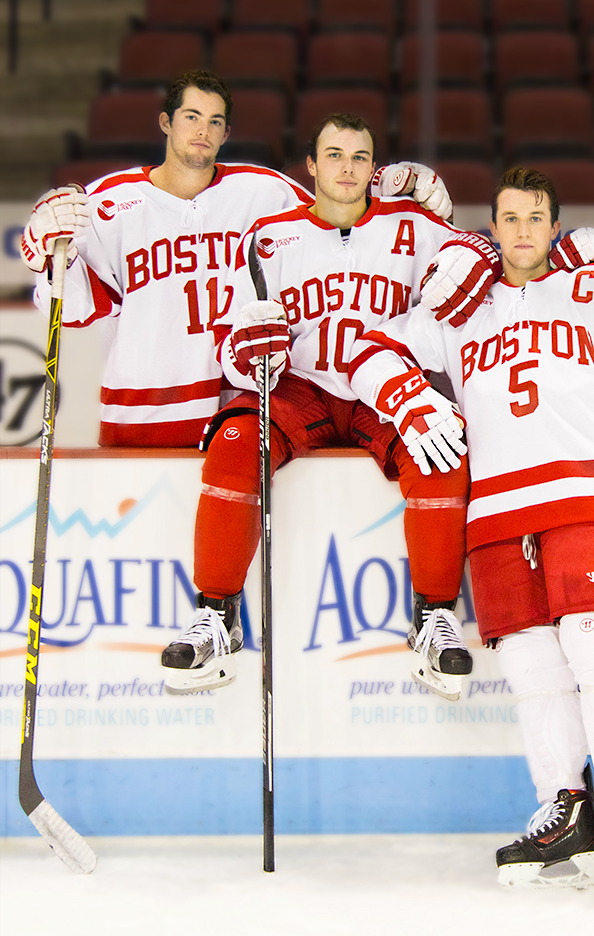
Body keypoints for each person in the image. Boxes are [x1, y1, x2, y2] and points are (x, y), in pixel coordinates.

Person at [346, 168, 594, 894]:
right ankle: (564, 808)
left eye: (534, 217)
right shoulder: (459, 310)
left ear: (554, 225)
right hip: (497, 512)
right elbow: (365, 350)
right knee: (533, 675)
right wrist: (410, 402)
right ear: (492, 229)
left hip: (588, 495)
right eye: (508, 218)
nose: (521, 231)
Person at [158, 114, 473, 701]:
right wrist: (247, 356)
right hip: (300, 388)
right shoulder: (271, 236)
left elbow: (469, 280)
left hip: (387, 388)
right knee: (233, 445)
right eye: (334, 155)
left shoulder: (416, 227)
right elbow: (232, 340)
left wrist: (454, 224)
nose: (346, 168)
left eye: (359, 156)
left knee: (445, 452)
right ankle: (216, 614)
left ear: (374, 168)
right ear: (311, 165)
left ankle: (434, 616)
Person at [19, 70, 455, 447]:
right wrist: (45, 251)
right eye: (191, 118)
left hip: (234, 410)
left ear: (227, 133)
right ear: (166, 123)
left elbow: (340, 220)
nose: (202, 132)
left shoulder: (263, 191)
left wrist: (396, 189)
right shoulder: (108, 202)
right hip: (141, 412)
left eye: (215, 122)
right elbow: (71, 308)